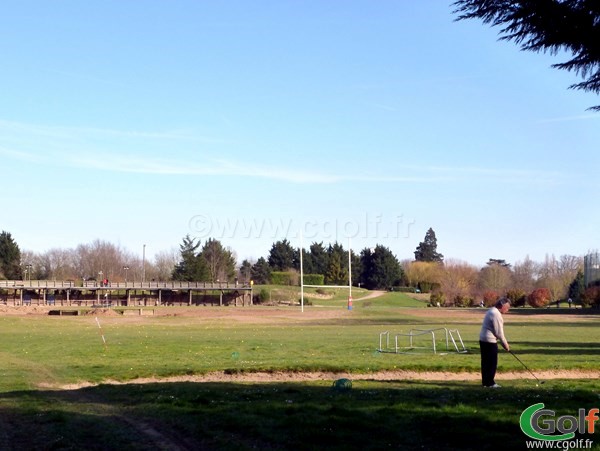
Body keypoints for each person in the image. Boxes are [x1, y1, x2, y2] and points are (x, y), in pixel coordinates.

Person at [479, 297, 511, 388]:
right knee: (491, 362)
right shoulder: (496, 314)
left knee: (485, 362)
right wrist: (505, 344)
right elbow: (499, 333)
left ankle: (486, 382)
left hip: (483, 339)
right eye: (507, 308)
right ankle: (490, 383)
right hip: (489, 341)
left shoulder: (491, 310)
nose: (507, 310)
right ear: (502, 306)